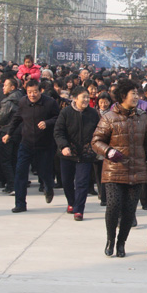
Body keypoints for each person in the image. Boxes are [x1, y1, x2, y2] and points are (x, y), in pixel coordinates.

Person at [92, 79, 147, 258]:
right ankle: (110, 240)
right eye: (133, 94)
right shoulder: (109, 117)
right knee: (113, 206)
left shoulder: (142, 117)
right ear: (123, 96)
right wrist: (109, 151)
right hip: (114, 170)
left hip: (136, 170)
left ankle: (121, 243)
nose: (136, 97)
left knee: (129, 210)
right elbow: (96, 141)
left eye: (137, 94)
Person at [3, 79, 60, 212]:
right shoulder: (23, 102)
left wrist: (47, 122)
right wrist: (8, 133)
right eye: (29, 92)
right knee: (20, 173)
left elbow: (58, 118)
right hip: (26, 143)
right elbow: (17, 118)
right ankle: (20, 203)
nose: (32, 95)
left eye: (35, 92)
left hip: (44, 145)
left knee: (44, 172)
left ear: (40, 91)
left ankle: (48, 187)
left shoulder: (50, 103)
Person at [53, 86, 100, 221]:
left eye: (87, 97)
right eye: (83, 97)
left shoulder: (93, 113)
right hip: (68, 153)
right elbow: (58, 131)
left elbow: (99, 132)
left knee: (82, 182)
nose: (86, 100)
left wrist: (95, 147)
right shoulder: (66, 112)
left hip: (86, 153)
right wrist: (64, 146)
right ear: (74, 98)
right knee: (67, 181)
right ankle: (71, 202)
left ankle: (79, 209)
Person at [0, 78, 22, 195]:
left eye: (5, 85)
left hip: (7, 132)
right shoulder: (22, 98)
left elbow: (1, 118)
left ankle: (11, 185)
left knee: (5, 160)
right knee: (15, 160)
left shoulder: (8, 102)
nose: (3, 88)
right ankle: (17, 185)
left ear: (12, 87)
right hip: (19, 133)